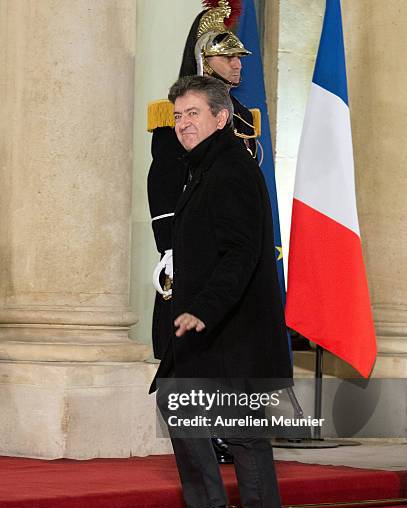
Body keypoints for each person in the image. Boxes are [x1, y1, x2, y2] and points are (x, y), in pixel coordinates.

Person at [152, 75, 292, 508]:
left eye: (193, 113)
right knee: (176, 397)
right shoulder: (203, 168)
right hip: (208, 333)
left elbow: (239, 255)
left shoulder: (230, 168)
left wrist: (203, 308)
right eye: (178, 115)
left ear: (219, 117)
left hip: (235, 334)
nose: (184, 123)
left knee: (247, 440)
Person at [148, 0, 260, 464]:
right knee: (193, 346)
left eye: (238, 56)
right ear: (203, 56)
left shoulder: (240, 116)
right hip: (192, 252)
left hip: (231, 250)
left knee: (230, 343)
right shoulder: (175, 115)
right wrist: (170, 249)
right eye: (227, 54)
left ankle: (230, 430)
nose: (237, 63)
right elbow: (165, 186)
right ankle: (202, 435)